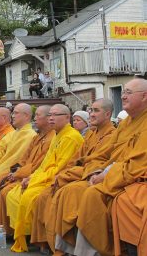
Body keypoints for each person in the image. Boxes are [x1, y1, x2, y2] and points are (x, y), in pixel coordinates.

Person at [54, 79, 147, 256]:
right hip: (114, 174)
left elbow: (136, 164)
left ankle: (95, 251)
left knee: (91, 194)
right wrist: (96, 171)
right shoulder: (126, 123)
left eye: (128, 92)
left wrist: (105, 176)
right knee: (69, 190)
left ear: (144, 96)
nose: (124, 96)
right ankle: (67, 248)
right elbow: (105, 155)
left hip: (127, 178)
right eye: (123, 92)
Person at [30, 99, 115, 255]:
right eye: (91, 110)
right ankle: (48, 242)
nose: (91, 114)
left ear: (108, 114)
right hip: (79, 172)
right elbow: (76, 158)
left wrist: (70, 173)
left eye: (96, 111)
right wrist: (66, 172)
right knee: (45, 195)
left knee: (66, 192)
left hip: (90, 175)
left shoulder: (111, 135)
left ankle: (66, 245)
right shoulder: (90, 134)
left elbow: (98, 161)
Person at [6, 104, 84, 252]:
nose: (51, 118)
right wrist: (31, 177)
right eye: (50, 115)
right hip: (43, 176)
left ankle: (40, 239)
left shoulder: (71, 137)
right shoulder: (57, 135)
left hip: (59, 179)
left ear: (68, 118)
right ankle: (30, 236)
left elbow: (59, 168)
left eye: (55, 115)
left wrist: (34, 179)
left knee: (30, 196)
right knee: (16, 193)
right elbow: (45, 164)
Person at [0, 105, 56, 237]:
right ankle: (2, 229)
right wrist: (12, 171)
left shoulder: (45, 137)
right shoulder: (37, 137)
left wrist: (17, 174)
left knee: (6, 190)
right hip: (23, 172)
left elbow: (40, 164)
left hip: (37, 176)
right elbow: (23, 159)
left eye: (38, 116)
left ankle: (21, 232)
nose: (35, 119)